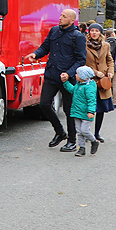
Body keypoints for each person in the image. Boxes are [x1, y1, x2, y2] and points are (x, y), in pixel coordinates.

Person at [24, 8, 86, 152]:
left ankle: (72, 140)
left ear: (72, 20)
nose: (60, 18)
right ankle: (60, 132)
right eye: (60, 15)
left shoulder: (78, 36)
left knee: (69, 110)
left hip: (67, 79)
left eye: (64, 16)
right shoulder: (54, 31)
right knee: (44, 104)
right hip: (52, 75)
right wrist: (35, 54)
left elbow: (81, 60)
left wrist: (69, 73)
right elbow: (45, 47)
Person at [84, 23, 114, 143]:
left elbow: (109, 60)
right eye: (92, 31)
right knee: (89, 108)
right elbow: (82, 62)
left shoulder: (105, 45)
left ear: (100, 33)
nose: (94, 33)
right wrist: (95, 72)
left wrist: (110, 72)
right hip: (89, 81)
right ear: (89, 32)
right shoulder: (84, 45)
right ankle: (87, 132)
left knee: (101, 109)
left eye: (97, 31)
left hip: (103, 82)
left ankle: (97, 133)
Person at [63, 66, 99, 156]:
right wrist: (65, 83)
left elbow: (92, 100)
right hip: (77, 112)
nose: (76, 75)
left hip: (86, 113)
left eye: (78, 74)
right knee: (79, 131)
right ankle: (81, 148)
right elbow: (72, 90)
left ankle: (94, 141)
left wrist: (91, 111)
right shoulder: (79, 84)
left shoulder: (89, 87)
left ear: (84, 77)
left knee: (84, 130)